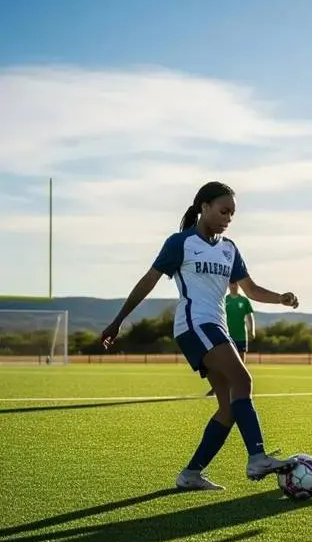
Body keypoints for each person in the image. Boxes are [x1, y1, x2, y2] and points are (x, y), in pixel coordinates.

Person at [100, 181, 300, 491]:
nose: (227, 218)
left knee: (230, 407)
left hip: (216, 327)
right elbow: (148, 281)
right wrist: (118, 321)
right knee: (243, 381)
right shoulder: (180, 243)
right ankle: (257, 457)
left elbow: (251, 289)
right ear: (204, 207)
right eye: (223, 210)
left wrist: (281, 299)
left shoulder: (229, 249)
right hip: (194, 326)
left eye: (232, 214)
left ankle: (190, 474)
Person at [205, 282, 255, 395]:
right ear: (228, 285)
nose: (234, 286)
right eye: (232, 284)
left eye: (236, 284)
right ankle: (217, 388)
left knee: (241, 365)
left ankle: (240, 390)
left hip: (241, 336)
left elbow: (249, 316)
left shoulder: (244, 301)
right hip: (226, 335)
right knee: (223, 364)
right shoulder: (223, 300)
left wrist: (252, 329)